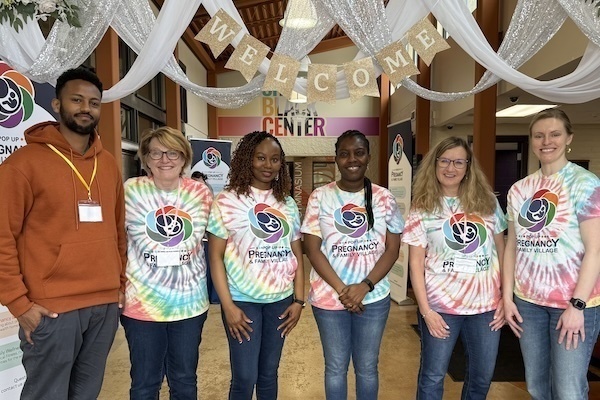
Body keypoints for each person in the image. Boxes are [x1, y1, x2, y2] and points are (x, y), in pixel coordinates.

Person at [0, 67, 126, 399]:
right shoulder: (23, 164)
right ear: (57, 104)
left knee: (86, 394)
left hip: (103, 303)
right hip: (52, 308)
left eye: (94, 102)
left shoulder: (109, 163)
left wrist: (120, 284)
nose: (86, 108)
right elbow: (2, 236)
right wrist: (18, 303)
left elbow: (117, 230)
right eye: (77, 100)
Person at [503, 109, 600, 400]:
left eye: (555, 133)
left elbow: (595, 250)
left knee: (569, 390)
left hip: (573, 304)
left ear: (568, 138)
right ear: (532, 140)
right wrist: (508, 298)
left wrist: (578, 306)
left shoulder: (586, 184)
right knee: (536, 386)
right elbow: (511, 247)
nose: (547, 141)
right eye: (539, 135)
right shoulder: (520, 189)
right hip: (528, 304)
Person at [301, 130, 403, 400]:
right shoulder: (320, 197)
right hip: (329, 299)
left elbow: (393, 249)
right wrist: (344, 290)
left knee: (367, 368)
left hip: (374, 298)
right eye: (344, 154)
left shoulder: (384, 198)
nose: (352, 159)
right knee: (335, 368)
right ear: (336, 159)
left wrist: (365, 286)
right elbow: (312, 248)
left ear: (368, 156)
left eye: (358, 152)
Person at [402, 136, 506, 399]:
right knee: (432, 377)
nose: (451, 168)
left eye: (459, 162)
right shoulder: (422, 206)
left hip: (486, 308)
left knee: (482, 376)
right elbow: (415, 263)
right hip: (441, 308)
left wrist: (507, 298)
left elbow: (503, 251)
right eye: (445, 161)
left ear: (468, 166)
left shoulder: (488, 203)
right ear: (434, 164)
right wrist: (426, 311)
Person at [207, 131, 304, 400]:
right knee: (245, 376)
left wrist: (299, 300)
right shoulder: (227, 201)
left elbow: (297, 252)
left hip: (280, 302)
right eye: (260, 157)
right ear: (247, 159)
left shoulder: (287, 203)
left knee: (268, 374)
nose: (268, 165)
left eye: (274, 159)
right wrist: (227, 306)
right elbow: (215, 256)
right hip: (241, 302)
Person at [120, 126, 213, 399]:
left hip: (189, 304)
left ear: (184, 158)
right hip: (142, 305)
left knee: (184, 380)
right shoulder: (131, 191)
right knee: (145, 382)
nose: (165, 159)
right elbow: (116, 241)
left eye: (172, 152)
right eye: (156, 153)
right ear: (145, 159)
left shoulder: (200, 193)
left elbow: (221, 237)